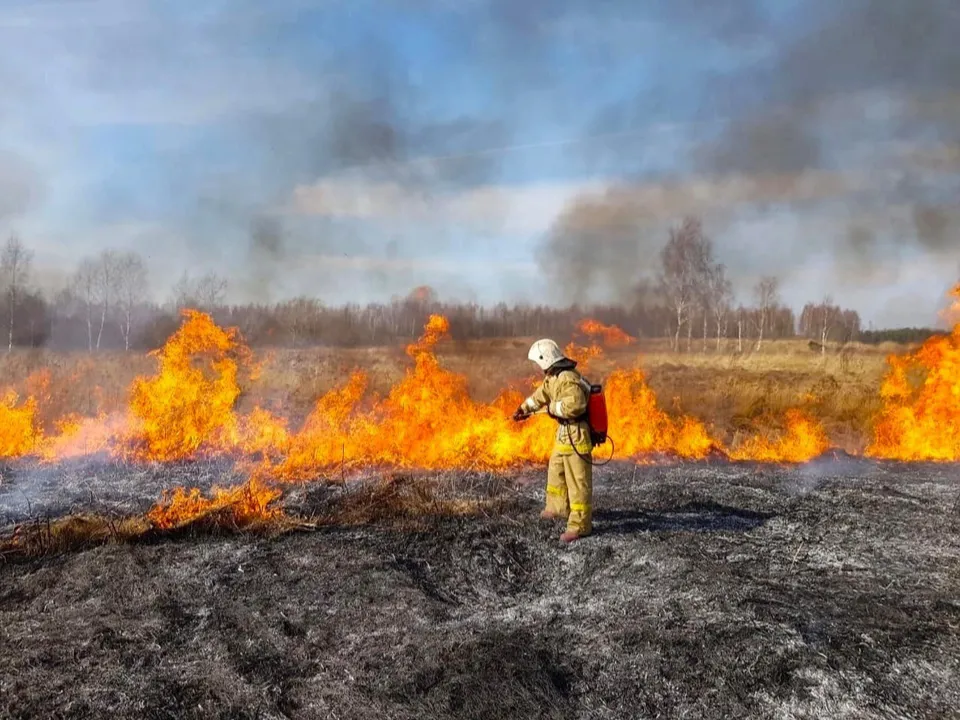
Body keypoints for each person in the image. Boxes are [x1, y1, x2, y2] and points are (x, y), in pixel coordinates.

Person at [513, 338, 593, 543]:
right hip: (564, 433)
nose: (537, 367)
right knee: (556, 470)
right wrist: (524, 408)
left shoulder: (567, 378)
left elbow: (577, 405)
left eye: (538, 362)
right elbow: (541, 395)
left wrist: (552, 409)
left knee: (577, 481)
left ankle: (580, 525)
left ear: (545, 359)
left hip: (576, 434)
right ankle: (557, 508)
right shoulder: (553, 377)